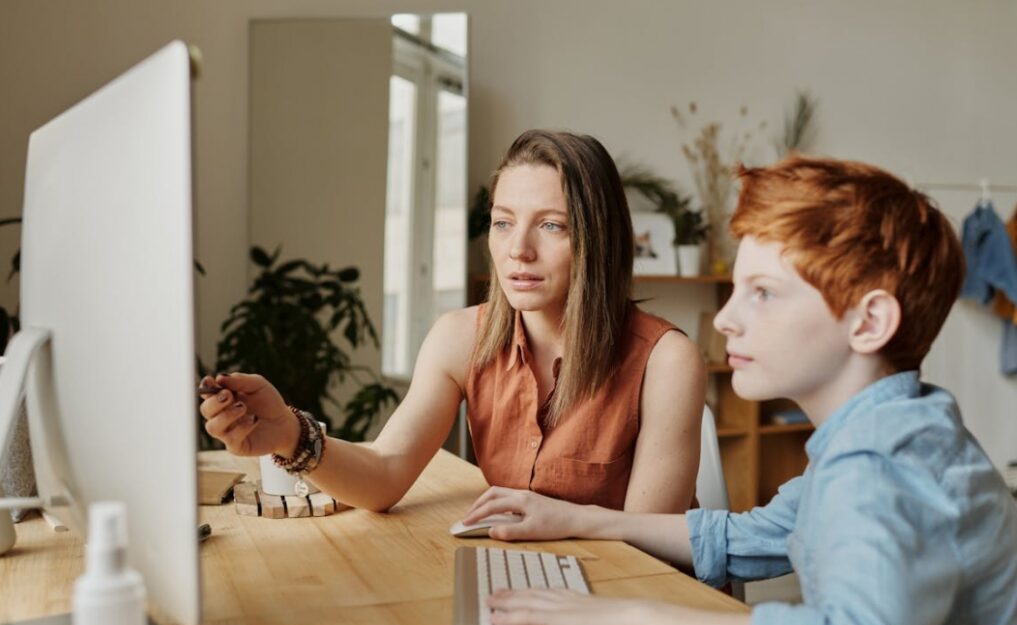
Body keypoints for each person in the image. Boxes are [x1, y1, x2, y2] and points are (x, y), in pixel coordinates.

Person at [467, 156, 1017, 625]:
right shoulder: (900, 429)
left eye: (763, 293)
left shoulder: (880, 463)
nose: (726, 319)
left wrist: (631, 621)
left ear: (869, 322)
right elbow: (752, 537)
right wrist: (577, 519)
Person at [200, 129, 705, 514]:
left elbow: (649, 548)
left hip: (635, 600)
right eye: (503, 222)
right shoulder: (460, 337)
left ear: (599, 240)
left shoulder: (666, 361)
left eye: (552, 226)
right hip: (532, 582)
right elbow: (384, 473)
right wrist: (290, 433)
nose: (518, 250)